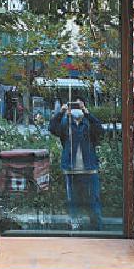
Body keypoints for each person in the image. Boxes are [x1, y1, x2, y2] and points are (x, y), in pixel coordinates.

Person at [48, 98, 104, 231]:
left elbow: (100, 129)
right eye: (74, 106)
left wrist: (87, 112)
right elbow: (52, 128)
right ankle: (74, 225)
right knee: (73, 200)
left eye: (79, 106)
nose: (76, 109)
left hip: (89, 168)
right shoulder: (66, 124)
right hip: (71, 169)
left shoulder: (88, 123)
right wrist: (61, 112)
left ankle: (96, 226)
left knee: (94, 199)